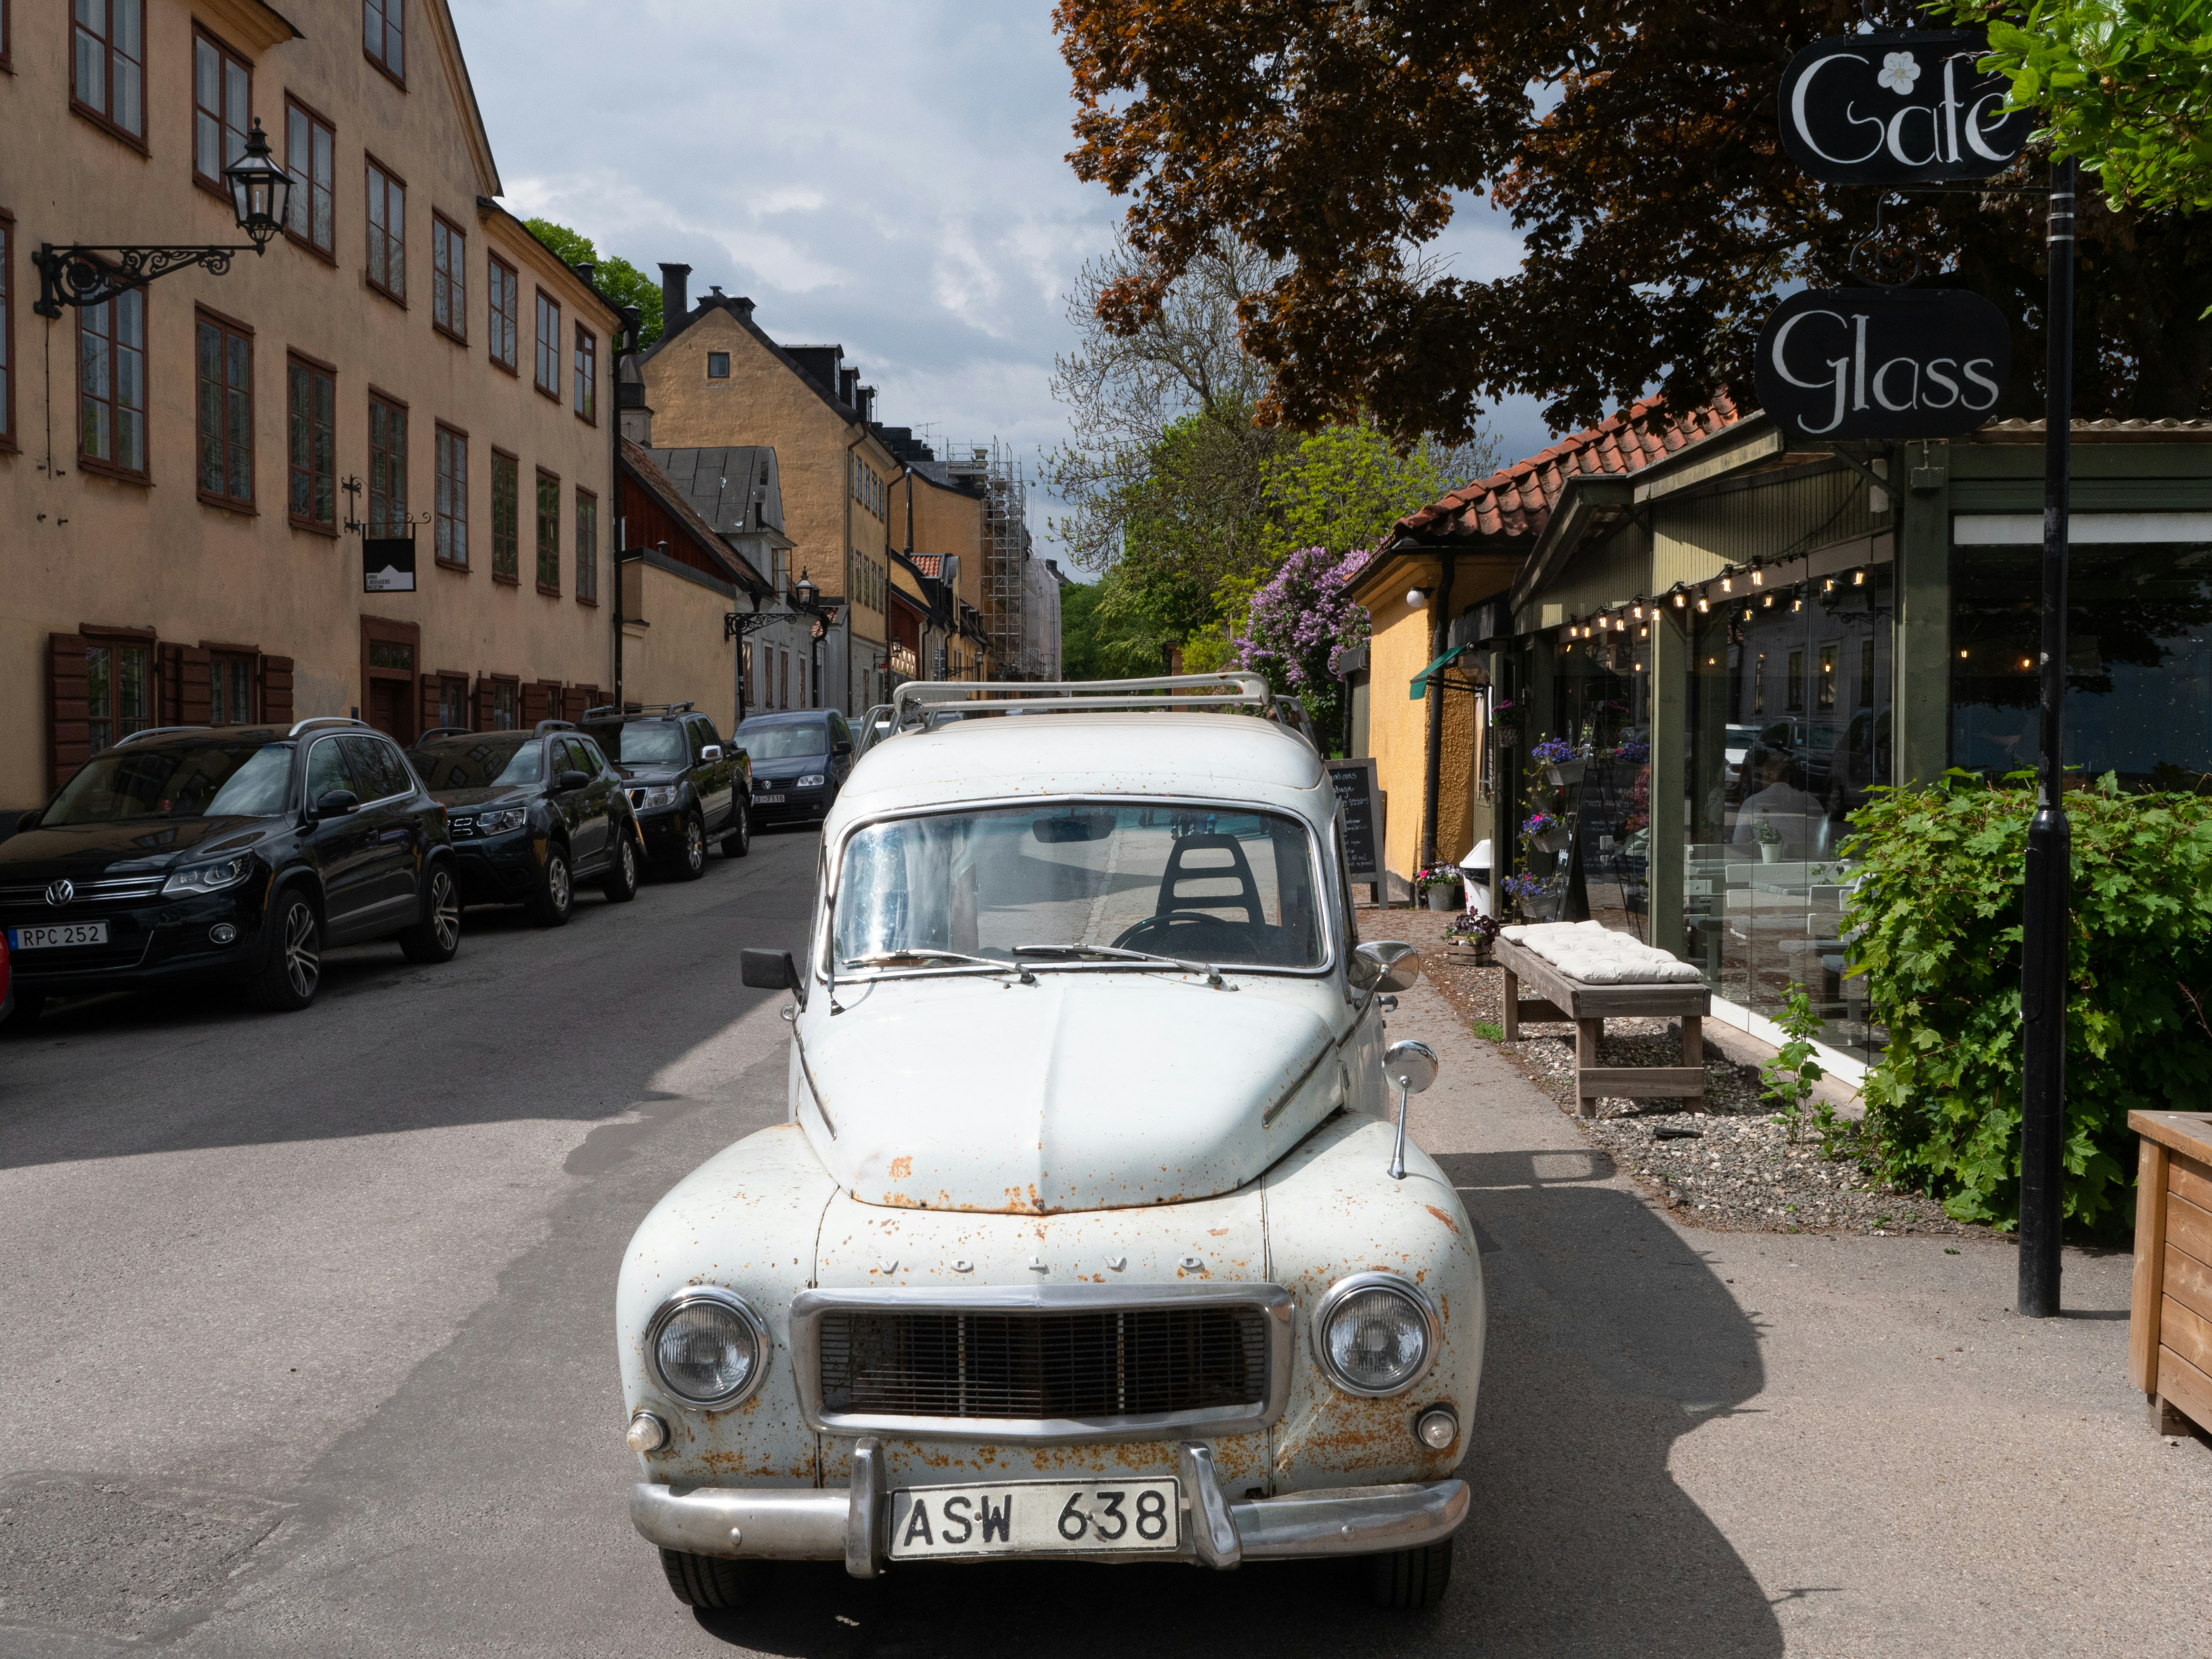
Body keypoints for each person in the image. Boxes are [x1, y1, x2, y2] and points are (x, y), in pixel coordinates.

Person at [1732, 748, 1825, 857]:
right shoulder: (1812, 803)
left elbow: (1740, 845)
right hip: (1808, 867)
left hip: (1765, 868)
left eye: (1762, 775)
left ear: (1767, 775)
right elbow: (1823, 844)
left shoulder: (1752, 803)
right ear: (1788, 777)